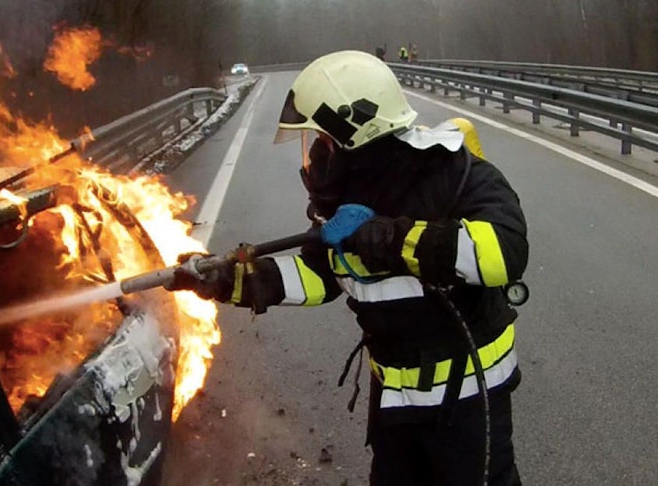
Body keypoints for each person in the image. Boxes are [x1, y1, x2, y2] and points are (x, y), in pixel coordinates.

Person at [169, 50, 527, 485]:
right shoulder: (342, 200)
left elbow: (504, 252)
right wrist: (234, 281)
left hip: (468, 404)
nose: (316, 152)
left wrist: (393, 239)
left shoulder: (453, 172)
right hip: (396, 405)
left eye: (322, 138)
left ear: (354, 130)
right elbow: (320, 276)